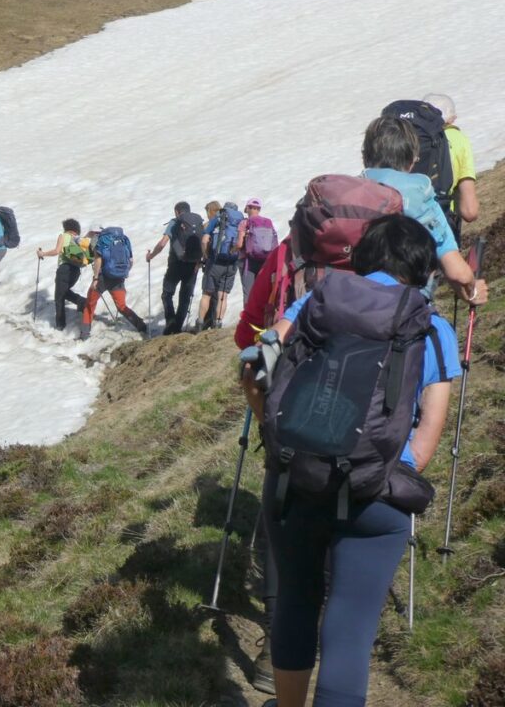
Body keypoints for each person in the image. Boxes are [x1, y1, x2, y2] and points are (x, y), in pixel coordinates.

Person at [255, 214, 460, 707]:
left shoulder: (314, 302)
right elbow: (425, 442)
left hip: (295, 481)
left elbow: (261, 375)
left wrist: (284, 450)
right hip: (375, 497)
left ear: (361, 259)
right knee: (351, 625)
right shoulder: (432, 328)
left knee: (296, 602)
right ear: (423, 269)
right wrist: (376, 470)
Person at [361, 116, 484, 307]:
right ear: (413, 160)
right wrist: (473, 290)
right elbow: (458, 273)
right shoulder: (421, 196)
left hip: (348, 305)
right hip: (405, 308)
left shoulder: (348, 195)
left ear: (364, 157)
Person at [422, 93, 479, 235]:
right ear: (452, 118)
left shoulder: (410, 140)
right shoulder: (459, 139)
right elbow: (470, 211)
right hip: (441, 225)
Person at [146, 201, 203, 335]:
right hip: (193, 265)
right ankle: (177, 328)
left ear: (177, 212)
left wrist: (151, 256)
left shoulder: (175, 222)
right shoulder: (198, 223)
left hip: (175, 264)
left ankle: (170, 322)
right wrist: (200, 262)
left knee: (167, 294)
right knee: (185, 297)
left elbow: (162, 244)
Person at [80, 226, 146, 339]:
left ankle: (84, 334)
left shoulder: (100, 239)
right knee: (121, 306)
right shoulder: (124, 239)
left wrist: (95, 278)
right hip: (118, 278)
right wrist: (122, 273)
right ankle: (141, 326)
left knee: (90, 303)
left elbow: (98, 259)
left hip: (102, 278)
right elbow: (130, 260)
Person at [191, 202, 242, 332]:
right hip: (231, 264)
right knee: (223, 296)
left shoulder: (219, 217)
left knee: (207, 294)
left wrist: (206, 255)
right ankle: (218, 324)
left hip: (215, 262)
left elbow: (205, 240)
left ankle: (200, 324)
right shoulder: (241, 221)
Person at [37, 219, 88, 330]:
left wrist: (43, 253)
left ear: (66, 228)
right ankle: (81, 302)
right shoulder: (78, 239)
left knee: (59, 297)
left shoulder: (63, 236)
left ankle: (60, 325)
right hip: (76, 271)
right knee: (64, 292)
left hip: (64, 269)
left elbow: (57, 251)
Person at [235, 198, 278, 305]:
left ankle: (248, 314)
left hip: (247, 262)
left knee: (248, 292)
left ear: (247, 208)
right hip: (264, 261)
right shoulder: (267, 223)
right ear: (259, 209)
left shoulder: (244, 223)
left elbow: (239, 244)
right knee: (262, 291)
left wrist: (233, 249)